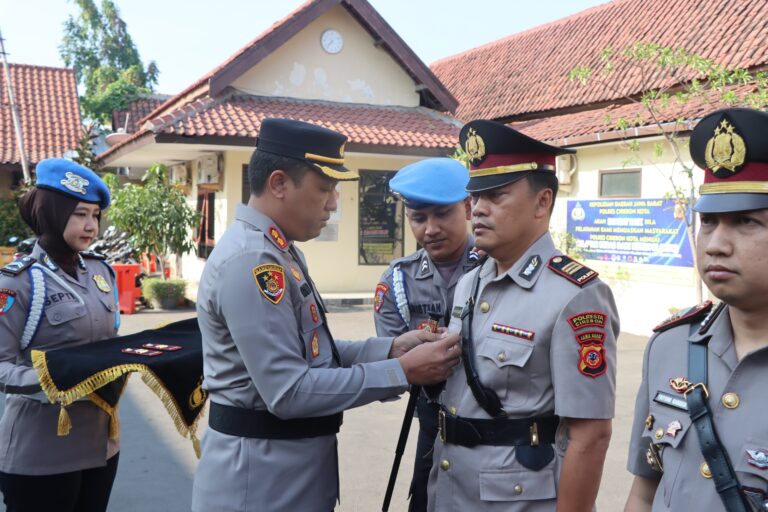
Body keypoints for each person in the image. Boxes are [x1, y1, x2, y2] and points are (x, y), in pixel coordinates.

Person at [191, 118, 462, 512]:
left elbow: (312, 351)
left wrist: (391, 349)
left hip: (285, 474)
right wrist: (403, 371)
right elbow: (288, 391)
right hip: (260, 485)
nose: (334, 202)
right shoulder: (253, 259)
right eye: (325, 188)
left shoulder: (278, 250)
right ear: (279, 184)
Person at [427, 120, 620, 511]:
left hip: (517, 500)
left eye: (496, 195)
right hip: (450, 486)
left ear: (542, 202)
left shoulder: (575, 296)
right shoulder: (471, 282)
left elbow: (590, 435)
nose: (478, 209)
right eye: (475, 196)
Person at [625, 107, 768, 512]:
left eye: (745, 221)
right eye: (708, 221)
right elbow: (643, 492)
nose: (716, 244)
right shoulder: (669, 346)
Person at [0, 158, 120, 512]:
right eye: (80, 214)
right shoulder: (17, 281)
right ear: (54, 211)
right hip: (41, 452)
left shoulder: (101, 272)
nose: (91, 225)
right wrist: (55, 379)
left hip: (102, 446)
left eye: (96, 215)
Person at [374, 157, 477, 511]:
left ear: (467, 207)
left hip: (499, 429)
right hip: (433, 424)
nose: (430, 228)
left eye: (442, 214)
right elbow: (389, 368)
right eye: (419, 218)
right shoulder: (397, 282)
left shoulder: (497, 267)